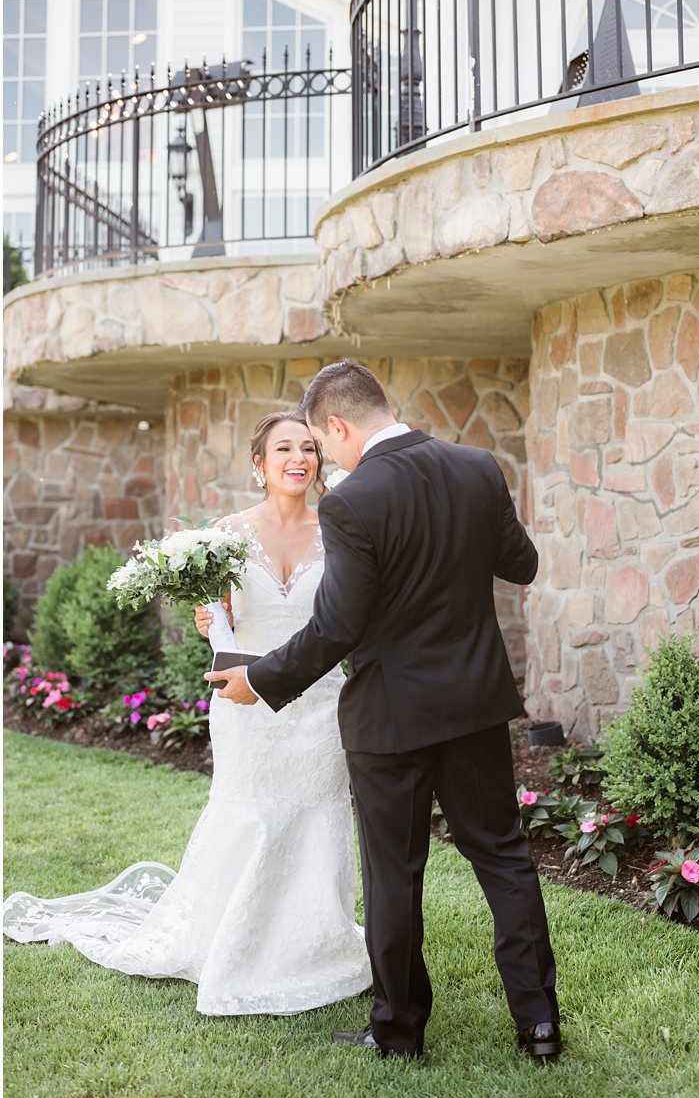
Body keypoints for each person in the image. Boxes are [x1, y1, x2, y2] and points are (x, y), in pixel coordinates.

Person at [206, 360, 561, 1062]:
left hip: (390, 719)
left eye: (320, 440)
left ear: (337, 424)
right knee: (505, 858)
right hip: (474, 705)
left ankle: (399, 1031)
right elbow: (522, 563)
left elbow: (337, 626)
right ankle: (541, 1024)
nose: (323, 456)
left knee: (395, 872)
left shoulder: (351, 500)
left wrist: (260, 680)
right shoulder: (476, 467)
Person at [3, 413, 372, 1017]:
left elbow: (351, 619)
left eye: (309, 447)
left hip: (319, 704)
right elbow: (217, 619)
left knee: (313, 813)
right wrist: (211, 620)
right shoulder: (225, 536)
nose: (298, 458)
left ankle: (312, 941)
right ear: (259, 464)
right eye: (283, 448)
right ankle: (225, 933)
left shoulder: (341, 532)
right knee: (248, 810)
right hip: (241, 702)